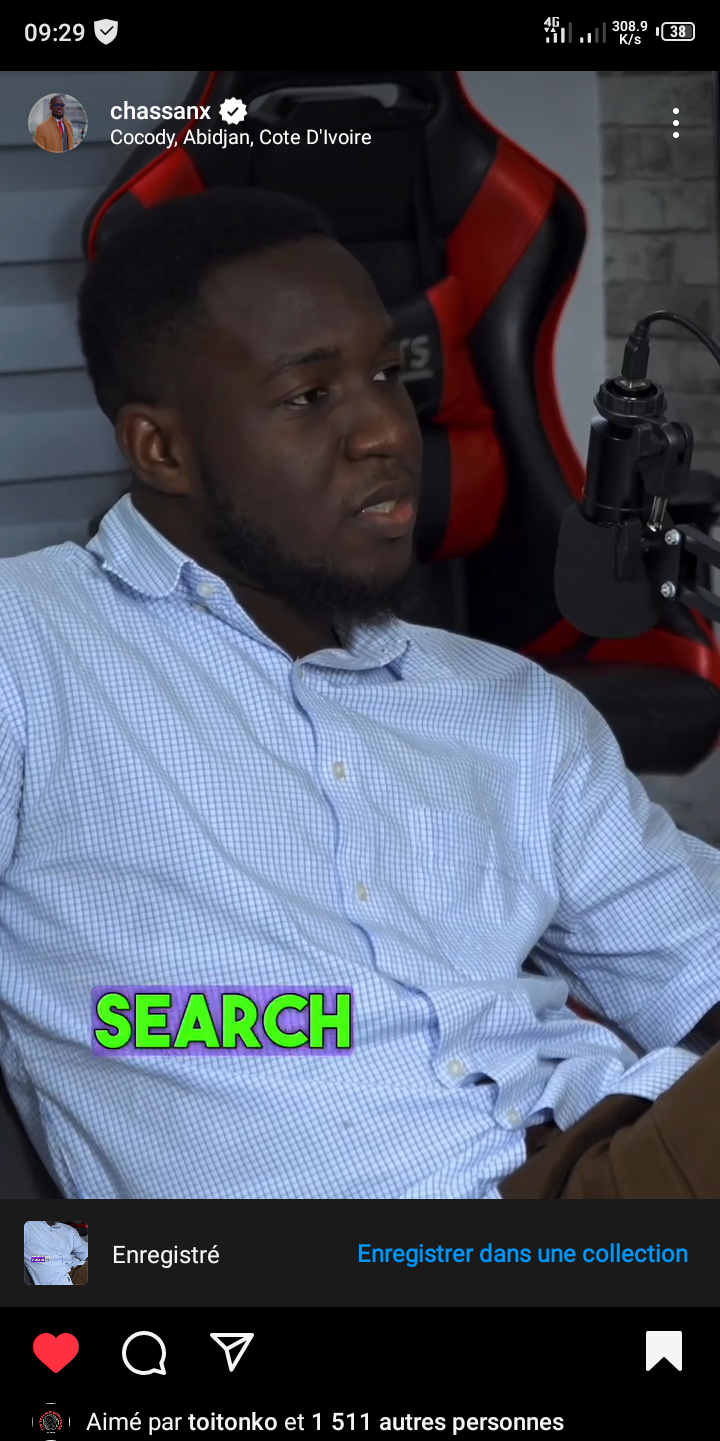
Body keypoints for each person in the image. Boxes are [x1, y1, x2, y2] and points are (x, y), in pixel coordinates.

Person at [1, 187, 719, 1202]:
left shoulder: (509, 706)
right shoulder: (30, 649)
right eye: (309, 396)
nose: (386, 430)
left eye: (389, 376)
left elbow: (696, 963)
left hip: (601, 1164)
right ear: (163, 449)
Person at [24, 1220, 88, 1284]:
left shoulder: (69, 1231)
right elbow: (35, 1259)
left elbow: (86, 1252)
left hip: (78, 1269)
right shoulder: (28, 1226)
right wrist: (43, 1259)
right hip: (63, 1281)